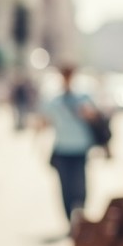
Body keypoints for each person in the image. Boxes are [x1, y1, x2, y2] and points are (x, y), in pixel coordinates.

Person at [38, 64, 100, 230]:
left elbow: (95, 117)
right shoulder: (53, 100)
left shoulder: (83, 96)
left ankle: (79, 216)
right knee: (65, 187)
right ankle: (70, 220)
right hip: (62, 149)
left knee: (80, 185)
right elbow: (44, 122)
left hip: (80, 148)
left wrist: (87, 113)